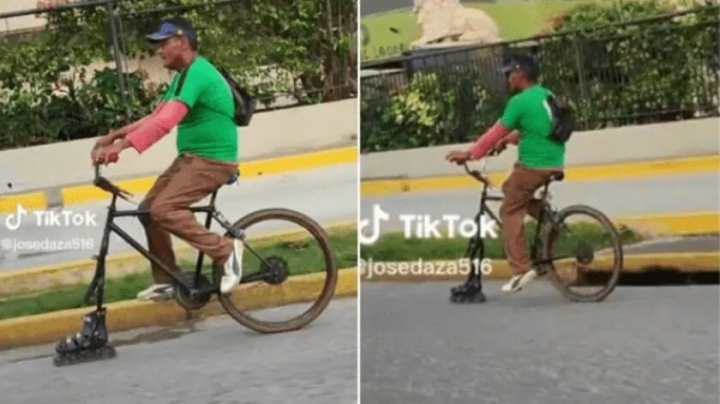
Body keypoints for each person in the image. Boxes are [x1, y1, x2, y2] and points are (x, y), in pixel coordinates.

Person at [91, 17, 243, 301]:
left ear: (182, 41)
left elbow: (166, 123)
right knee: (148, 210)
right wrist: (114, 136)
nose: (158, 51)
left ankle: (226, 250)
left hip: (213, 160)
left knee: (164, 209)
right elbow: (156, 116)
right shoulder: (183, 76)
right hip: (191, 158)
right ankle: (168, 278)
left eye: (163, 43)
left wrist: (121, 148)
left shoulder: (199, 73)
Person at [446, 52, 565, 297]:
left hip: (534, 165)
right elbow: (540, 128)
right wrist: (511, 139)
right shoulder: (545, 94)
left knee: (508, 210)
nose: (508, 79)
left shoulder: (519, 102)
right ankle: (548, 218)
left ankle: (521, 269)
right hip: (554, 161)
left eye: (510, 74)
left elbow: (493, 132)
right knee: (510, 189)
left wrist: (470, 154)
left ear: (520, 74)